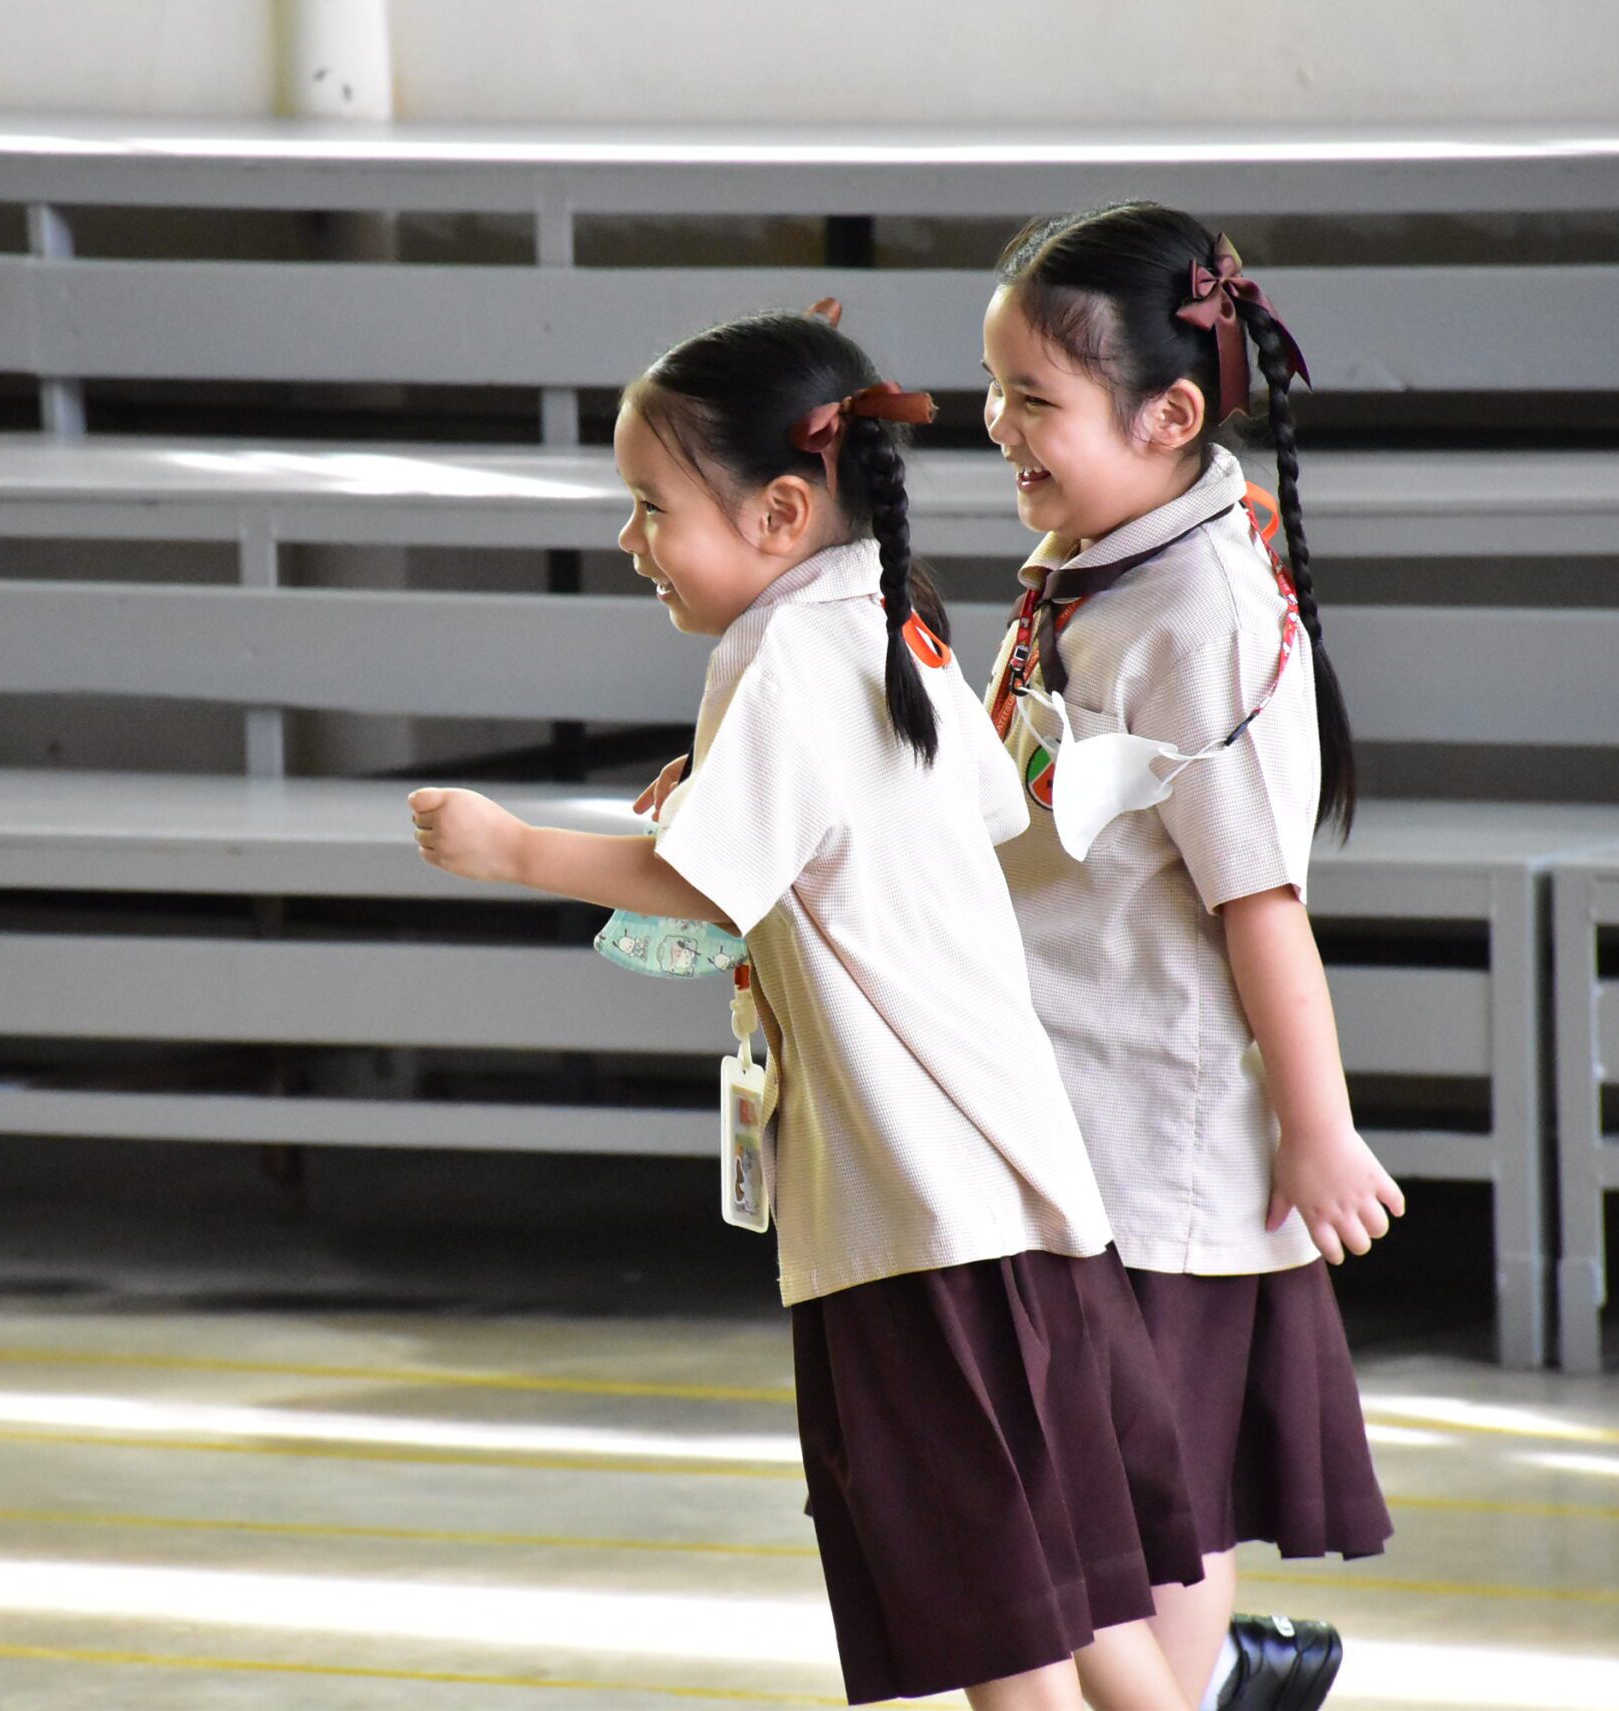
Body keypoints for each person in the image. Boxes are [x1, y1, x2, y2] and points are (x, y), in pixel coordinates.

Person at [411, 306, 1203, 1710]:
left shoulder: (775, 657)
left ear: (780, 510)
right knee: (1085, 1608)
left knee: (1004, 1635)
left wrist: (513, 847)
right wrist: (733, 796)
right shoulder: (893, 623)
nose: (631, 539)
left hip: (915, 1216)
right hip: (1021, 1201)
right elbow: (960, 806)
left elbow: (706, 888)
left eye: (652, 506)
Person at [978, 201, 1402, 1711]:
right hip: (1073, 1107)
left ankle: (1206, 1679)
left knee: (1150, 1505)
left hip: (1158, 1141)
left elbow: (1260, 905)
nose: (998, 426)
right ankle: (1222, 1679)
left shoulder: (1198, 613)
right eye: (993, 389)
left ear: (1166, 418)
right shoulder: (1092, 560)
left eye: (1034, 398)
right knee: (1128, 1492)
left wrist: (1318, 1126)